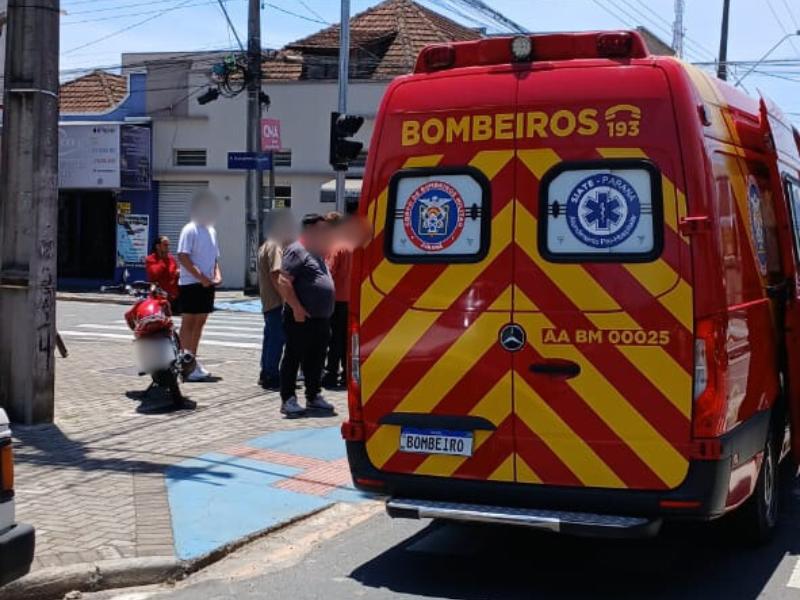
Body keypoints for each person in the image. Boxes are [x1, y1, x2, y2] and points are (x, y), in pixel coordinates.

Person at [277, 214, 336, 417]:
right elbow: (284, 281)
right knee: (294, 357)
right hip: (301, 317)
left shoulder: (316, 252)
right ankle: (288, 399)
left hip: (320, 318)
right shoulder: (297, 250)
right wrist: (297, 308)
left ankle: (313, 396)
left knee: (316, 359)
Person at [176, 191, 222, 382]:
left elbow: (214, 258)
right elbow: (183, 256)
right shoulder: (190, 229)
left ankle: (192, 359)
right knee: (189, 323)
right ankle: (184, 363)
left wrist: (217, 274)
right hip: (191, 283)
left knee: (200, 323)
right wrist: (200, 276)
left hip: (207, 284)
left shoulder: (211, 230)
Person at [257, 210, 295, 390]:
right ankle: (271, 375)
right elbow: (275, 274)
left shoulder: (267, 244)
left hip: (268, 301)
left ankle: (266, 372)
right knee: (277, 338)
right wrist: (286, 298)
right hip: (276, 301)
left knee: (270, 337)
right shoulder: (274, 246)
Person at [322, 212, 349, 389]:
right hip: (351, 299)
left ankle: (331, 375)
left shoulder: (335, 247)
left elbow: (328, 273)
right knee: (347, 340)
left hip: (335, 299)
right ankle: (347, 374)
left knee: (334, 340)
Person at [145, 236, 180, 314]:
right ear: (158, 246)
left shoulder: (171, 259)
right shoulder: (151, 259)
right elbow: (154, 274)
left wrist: (178, 273)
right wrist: (162, 259)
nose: (168, 247)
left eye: (168, 245)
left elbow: (174, 272)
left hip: (174, 297)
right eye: (165, 245)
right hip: (160, 298)